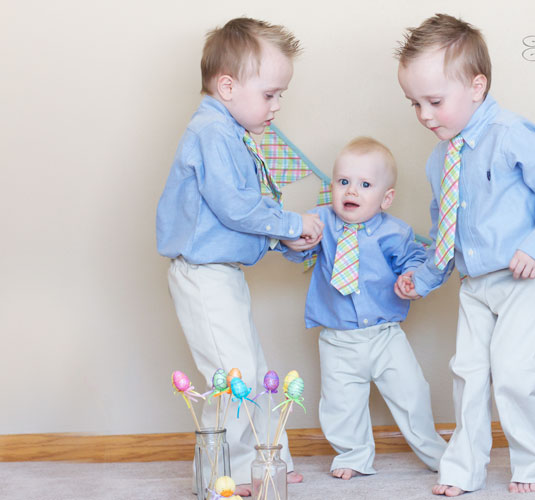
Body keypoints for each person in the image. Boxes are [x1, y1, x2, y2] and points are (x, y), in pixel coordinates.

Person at [395, 14, 535, 496]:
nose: (424, 114)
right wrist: (425, 277)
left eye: (435, 101)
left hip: (527, 278)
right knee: (469, 376)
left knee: (516, 374)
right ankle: (463, 470)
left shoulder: (511, 133)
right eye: (415, 103)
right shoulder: (440, 160)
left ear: (476, 87)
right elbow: (445, 232)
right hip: (475, 285)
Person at [156, 17, 323, 495]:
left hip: (223, 271)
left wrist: (282, 240)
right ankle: (219, 472)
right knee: (234, 376)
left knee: (253, 370)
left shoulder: (229, 133)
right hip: (203, 274)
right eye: (270, 94)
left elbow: (233, 218)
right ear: (227, 86)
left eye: (280, 95)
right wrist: (289, 224)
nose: (277, 105)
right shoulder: (213, 132)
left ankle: (267, 459)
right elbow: (235, 206)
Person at [282, 137, 448, 480]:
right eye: (343, 181)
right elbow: (300, 250)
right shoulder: (320, 221)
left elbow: (413, 259)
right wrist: (295, 239)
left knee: (412, 394)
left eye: (365, 185)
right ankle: (353, 455)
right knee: (341, 402)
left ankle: (439, 455)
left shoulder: (394, 231)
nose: (351, 191)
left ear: (386, 197)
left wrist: (410, 278)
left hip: (385, 335)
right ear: (332, 186)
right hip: (337, 337)